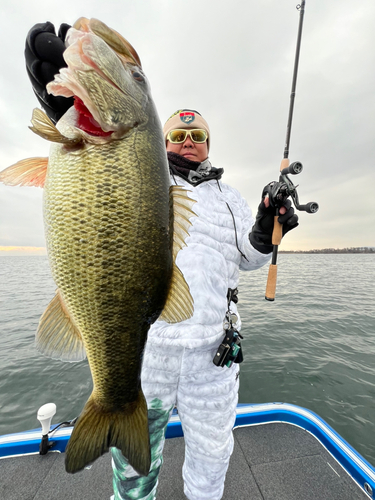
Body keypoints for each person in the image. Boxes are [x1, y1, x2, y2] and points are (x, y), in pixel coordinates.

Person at [25, 23, 299, 500]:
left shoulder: (230, 198)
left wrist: (264, 227)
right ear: (164, 139)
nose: (188, 140)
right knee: (133, 466)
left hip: (213, 357)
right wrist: (62, 108)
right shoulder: (148, 177)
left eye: (197, 135)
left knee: (213, 452)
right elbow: (89, 173)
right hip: (146, 349)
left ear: (208, 145)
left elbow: (251, 259)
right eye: (178, 133)